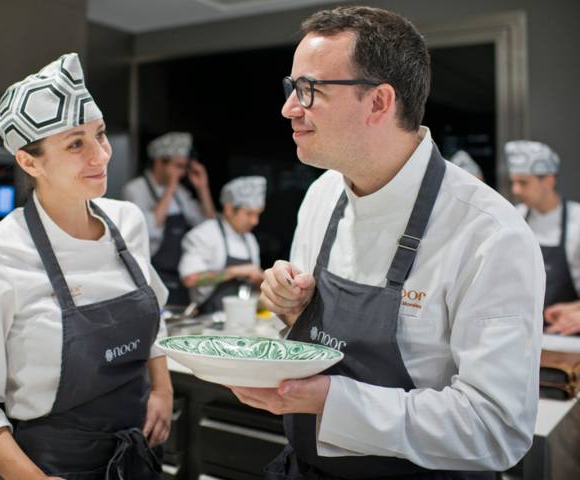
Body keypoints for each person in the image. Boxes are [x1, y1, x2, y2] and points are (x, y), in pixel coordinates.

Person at [228, 6, 544, 479]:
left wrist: (334, 401)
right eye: (291, 88)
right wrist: (291, 309)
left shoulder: (489, 235)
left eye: (309, 90)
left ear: (379, 102)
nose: (289, 108)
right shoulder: (322, 195)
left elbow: (495, 429)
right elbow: (315, 342)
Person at [0, 53, 172, 480]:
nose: (101, 155)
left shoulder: (128, 223)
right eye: (75, 143)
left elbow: (155, 312)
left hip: (138, 457)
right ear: (30, 162)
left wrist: (162, 388)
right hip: (50, 465)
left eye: (100, 134)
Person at [123, 132, 215, 306]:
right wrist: (171, 188)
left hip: (180, 278)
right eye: (177, 166)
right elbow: (150, 229)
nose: (181, 173)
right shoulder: (136, 189)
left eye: (184, 167)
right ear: (159, 162)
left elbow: (208, 225)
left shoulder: (181, 193)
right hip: (153, 276)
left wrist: (203, 188)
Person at [506, 140, 580, 319]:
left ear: (548, 181)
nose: (515, 190)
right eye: (513, 182)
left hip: (565, 338)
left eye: (523, 183)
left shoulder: (577, 222)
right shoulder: (513, 218)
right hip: (519, 334)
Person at [179, 176, 266, 313]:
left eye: (258, 214)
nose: (255, 221)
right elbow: (190, 279)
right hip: (207, 319)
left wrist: (259, 279)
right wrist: (236, 271)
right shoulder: (204, 234)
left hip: (242, 316)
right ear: (229, 209)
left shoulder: (250, 240)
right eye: (249, 214)